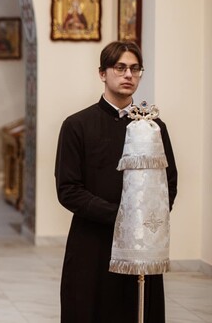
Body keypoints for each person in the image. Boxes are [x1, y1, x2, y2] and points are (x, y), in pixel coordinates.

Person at [55, 41, 177, 322]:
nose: (128, 75)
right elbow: (68, 189)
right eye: (120, 67)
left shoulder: (155, 127)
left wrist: (149, 221)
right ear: (102, 73)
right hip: (92, 242)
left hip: (141, 247)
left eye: (135, 69)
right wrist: (122, 217)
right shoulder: (77, 125)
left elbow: (169, 182)